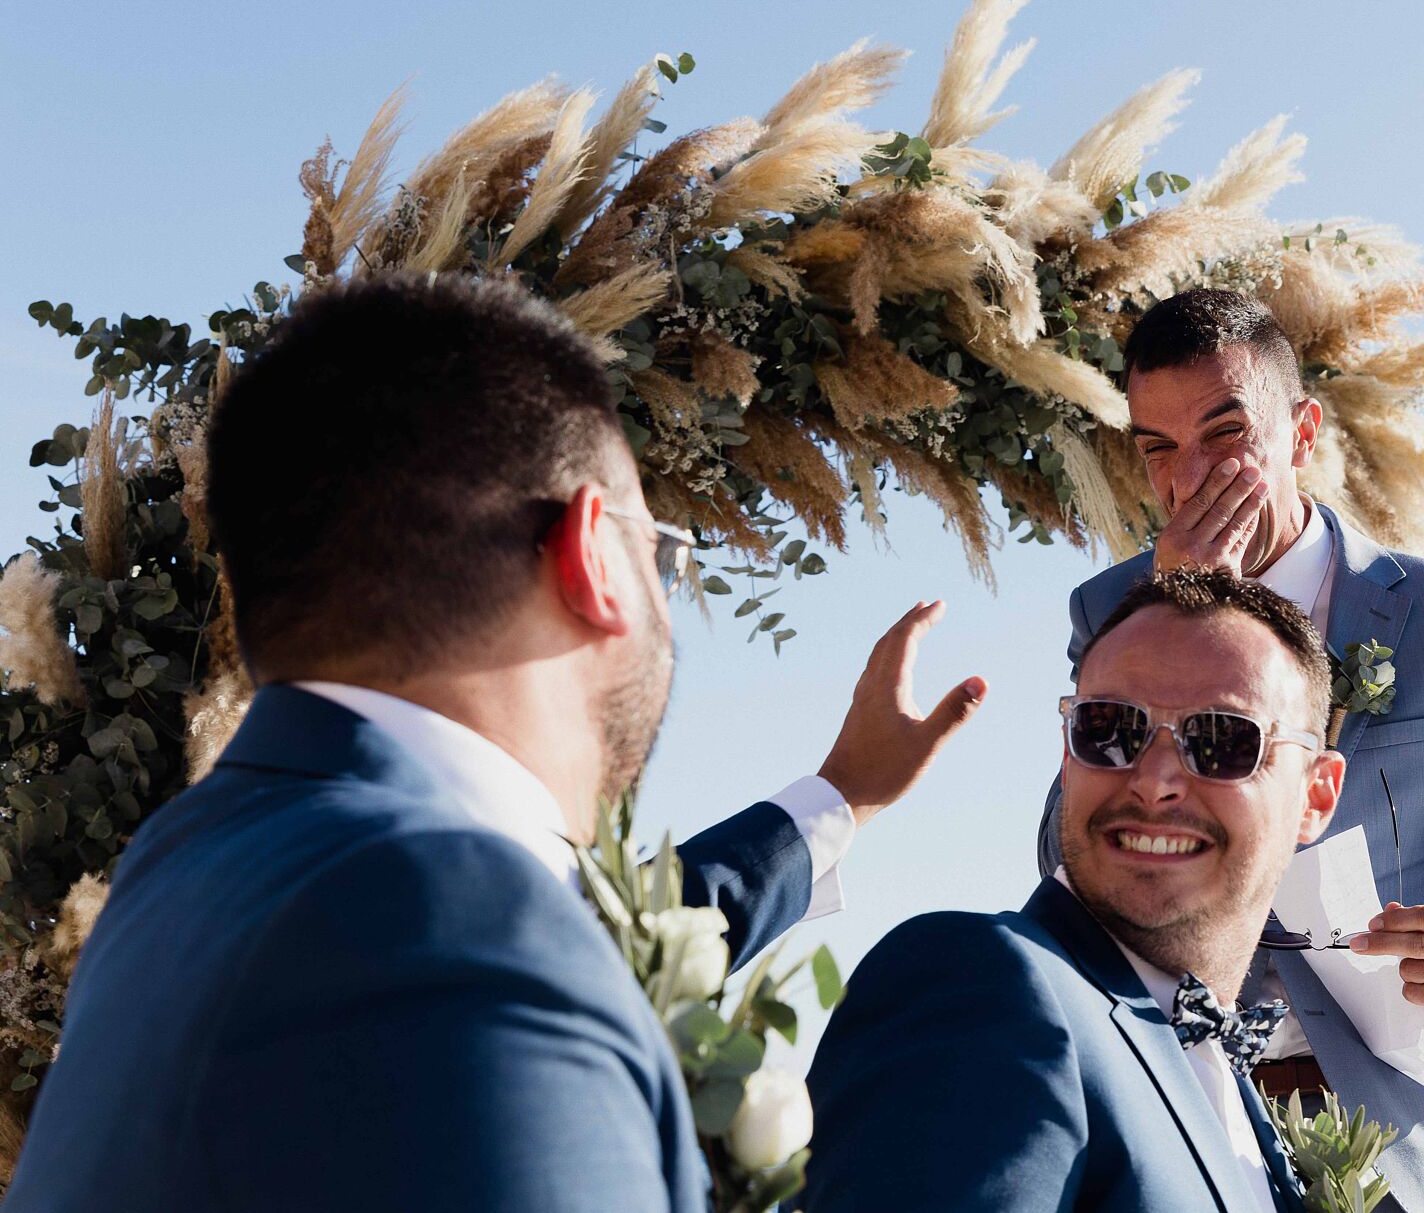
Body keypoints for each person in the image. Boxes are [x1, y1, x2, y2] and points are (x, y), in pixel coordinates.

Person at [6, 272, 985, 1213]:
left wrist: (837, 797)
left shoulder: (179, 871)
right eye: (661, 554)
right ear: (594, 553)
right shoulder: (455, 922)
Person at [1036, 288, 1424, 1208]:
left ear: (1302, 432)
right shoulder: (1108, 610)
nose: (1188, 478)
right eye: (1157, 449)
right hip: (1171, 1101)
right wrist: (1169, 619)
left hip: (1383, 1129)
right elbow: (1063, 857)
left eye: (1223, 433)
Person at [804, 569, 1346, 1213]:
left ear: (1316, 796)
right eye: (1110, 728)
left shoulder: (1230, 1092)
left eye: (1222, 740)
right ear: (1067, 753)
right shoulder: (981, 984)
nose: (1154, 780)